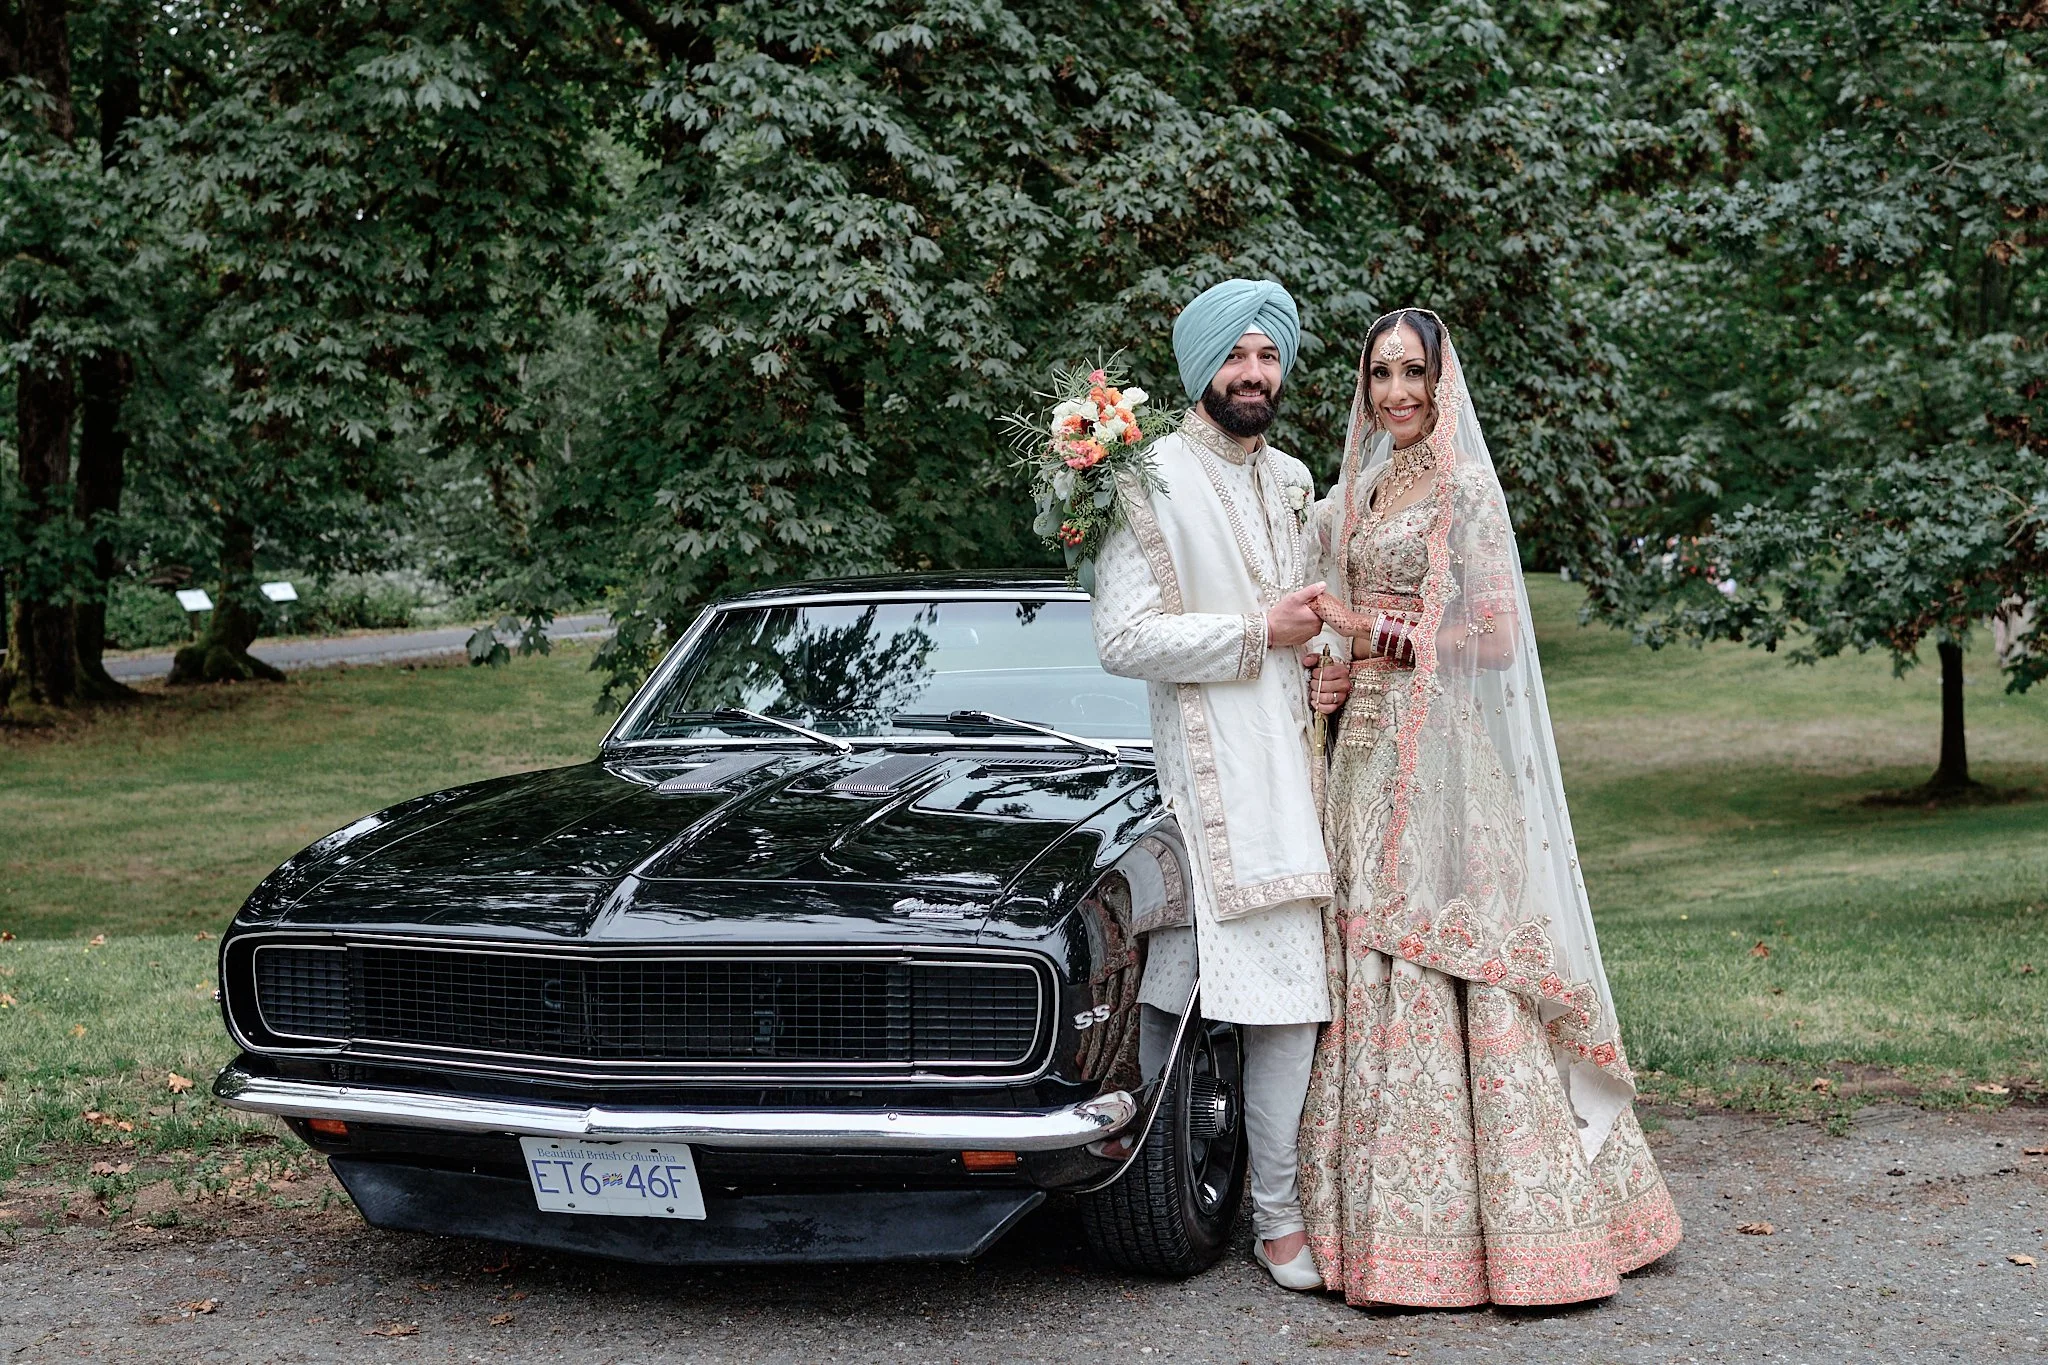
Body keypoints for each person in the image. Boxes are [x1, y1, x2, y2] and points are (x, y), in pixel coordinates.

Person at [1293, 308, 1683, 1307]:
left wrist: (1362, 628)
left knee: (1451, 957)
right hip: (1361, 760)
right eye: (1378, 374)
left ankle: (1525, 1237)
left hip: (1445, 767)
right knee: (1370, 966)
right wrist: (1332, 673)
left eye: (1411, 371)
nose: (1394, 393)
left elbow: (1496, 644)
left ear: (1441, 379)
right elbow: (1335, 634)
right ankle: (1389, 1240)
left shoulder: (1462, 489)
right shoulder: (1364, 487)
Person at [1091, 277, 1334, 1290]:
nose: (1252, 374)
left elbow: (1317, 613)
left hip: (1296, 773)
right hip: (1203, 778)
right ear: (1201, 368)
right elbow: (1121, 637)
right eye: (1235, 357)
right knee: (1173, 991)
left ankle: (1276, 1222)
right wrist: (1255, 635)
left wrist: (1324, 656)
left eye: (1267, 356)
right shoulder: (1146, 477)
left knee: (1290, 1003)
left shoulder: (1290, 476)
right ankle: (1138, 1202)